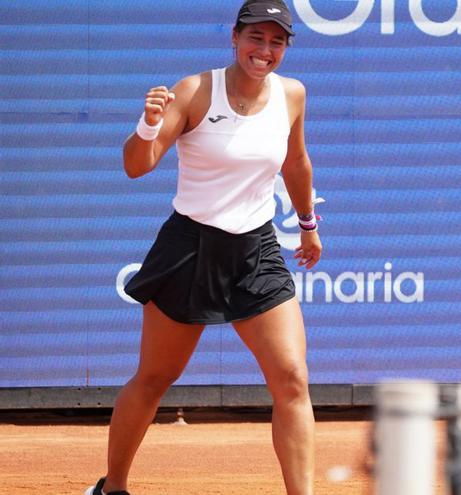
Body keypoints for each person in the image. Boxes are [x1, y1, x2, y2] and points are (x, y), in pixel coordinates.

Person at [85, 1, 319, 493]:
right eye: (256, 37)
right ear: (235, 37)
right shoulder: (194, 91)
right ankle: (113, 488)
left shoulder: (292, 95)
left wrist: (308, 223)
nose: (265, 50)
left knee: (292, 379)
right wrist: (148, 124)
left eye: (277, 41)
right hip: (190, 247)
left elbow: (296, 164)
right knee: (153, 379)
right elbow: (136, 165)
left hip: (256, 250)